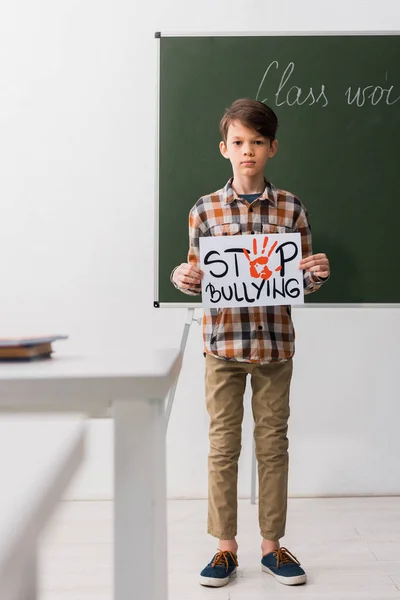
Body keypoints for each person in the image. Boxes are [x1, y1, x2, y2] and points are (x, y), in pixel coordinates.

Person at [171, 98, 330, 588]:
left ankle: (272, 546)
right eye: (239, 142)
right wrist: (183, 277)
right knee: (222, 448)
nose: (248, 151)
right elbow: (196, 272)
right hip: (222, 345)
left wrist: (317, 274)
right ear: (224, 148)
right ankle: (224, 548)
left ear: (272, 148)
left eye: (257, 142)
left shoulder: (291, 207)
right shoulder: (204, 210)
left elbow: (300, 279)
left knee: (272, 447)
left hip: (275, 346)